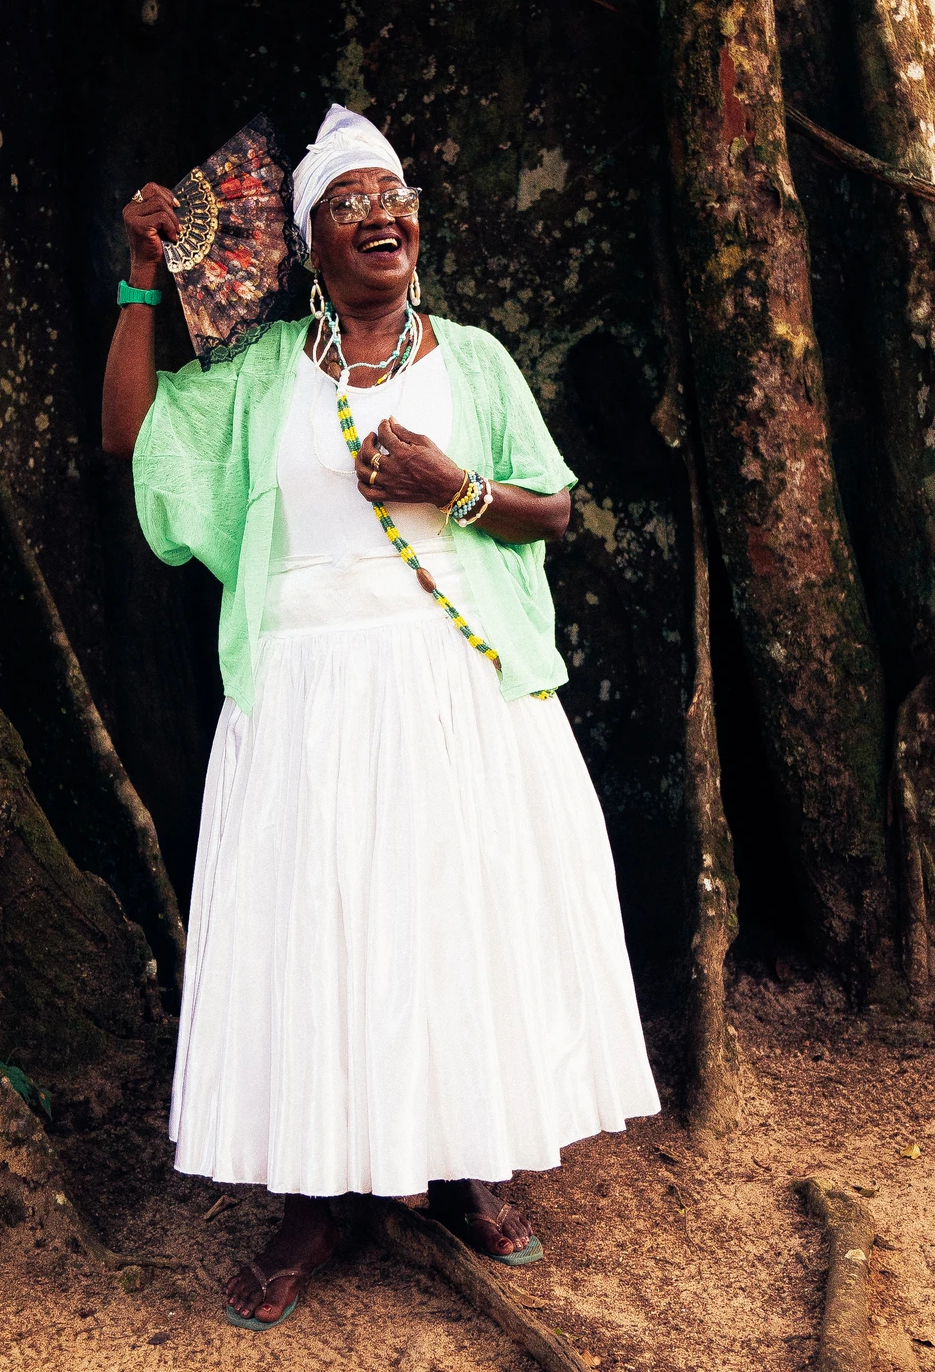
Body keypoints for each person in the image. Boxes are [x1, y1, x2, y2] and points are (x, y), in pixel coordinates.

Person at [101, 104, 659, 1331]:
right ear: (309, 244)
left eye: (395, 196)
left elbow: (554, 508)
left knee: (451, 924)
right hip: (304, 696)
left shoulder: (473, 359)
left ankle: (460, 1167)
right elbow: (134, 435)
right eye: (350, 202)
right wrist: (142, 285)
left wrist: (452, 486)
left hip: (453, 691)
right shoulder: (259, 377)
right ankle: (311, 1199)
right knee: (317, 933)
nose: (382, 214)